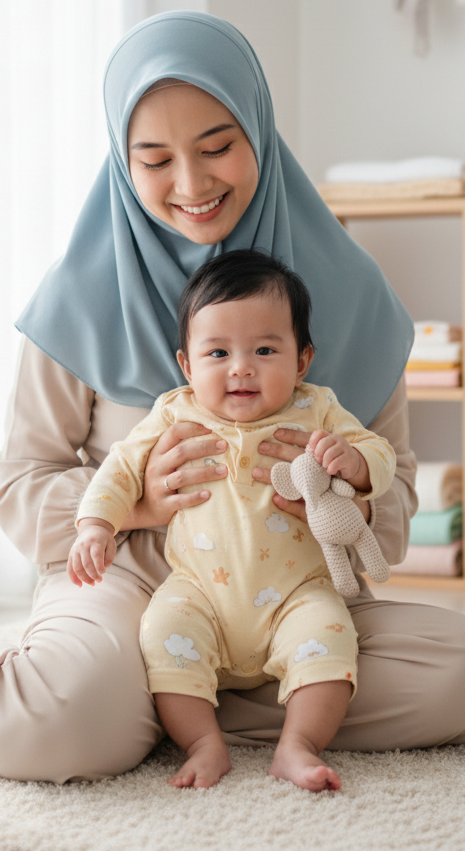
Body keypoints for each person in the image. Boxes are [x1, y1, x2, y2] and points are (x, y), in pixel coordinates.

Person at [0, 11, 465, 784]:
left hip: (295, 587)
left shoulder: (351, 295)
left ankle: (151, 705)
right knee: (52, 725)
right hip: (134, 580)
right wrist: (137, 503)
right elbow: (19, 485)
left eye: (218, 147)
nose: (192, 184)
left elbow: (399, 499)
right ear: (122, 161)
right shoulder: (82, 295)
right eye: (154, 160)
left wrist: (345, 495)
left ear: (261, 134)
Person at [72, 249, 397, 791]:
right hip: (199, 589)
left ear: (301, 361)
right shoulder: (176, 411)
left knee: (333, 637)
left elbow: (377, 450)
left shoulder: (316, 408)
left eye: (265, 349)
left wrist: (358, 464)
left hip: (298, 590)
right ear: (187, 365)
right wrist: (97, 524)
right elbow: (120, 467)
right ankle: (204, 741)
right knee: (162, 631)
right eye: (218, 352)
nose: (241, 366)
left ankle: (298, 744)